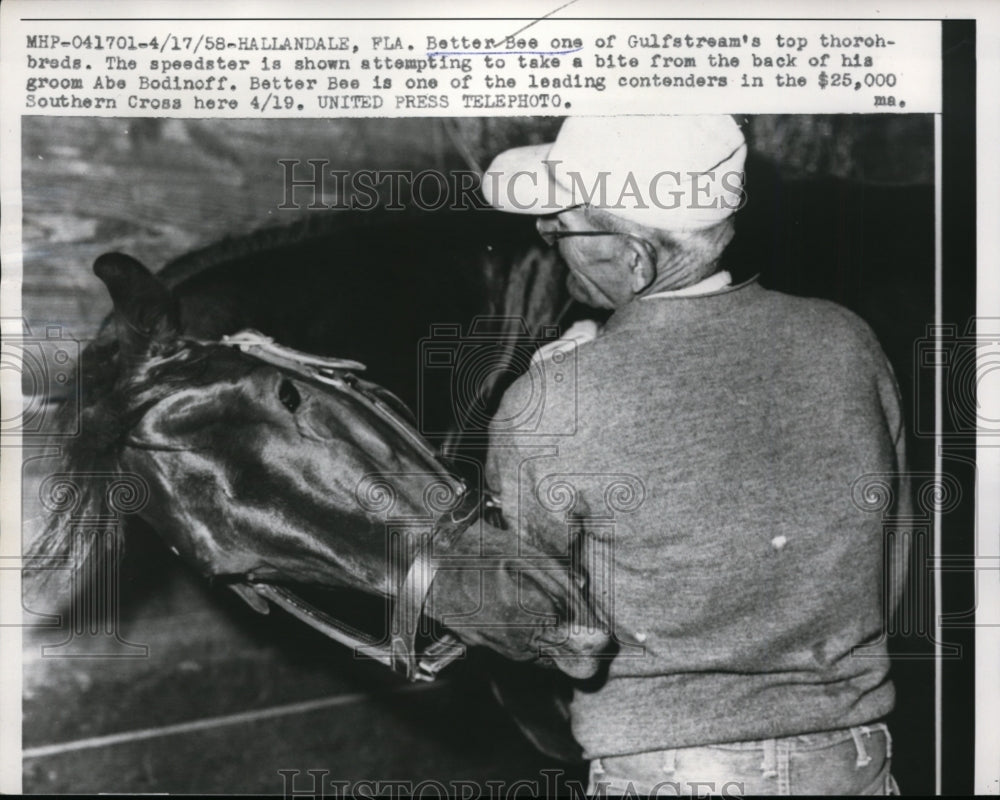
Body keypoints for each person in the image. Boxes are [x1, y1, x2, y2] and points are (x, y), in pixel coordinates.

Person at [480, 116, 908, 796]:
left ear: (633, 256)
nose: (553, 249)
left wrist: (551, 396)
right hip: (852, 759)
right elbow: (890, 567)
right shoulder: (848, 342)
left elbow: (546, 631)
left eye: (559, 230)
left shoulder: (553, 400)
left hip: (668, 771)